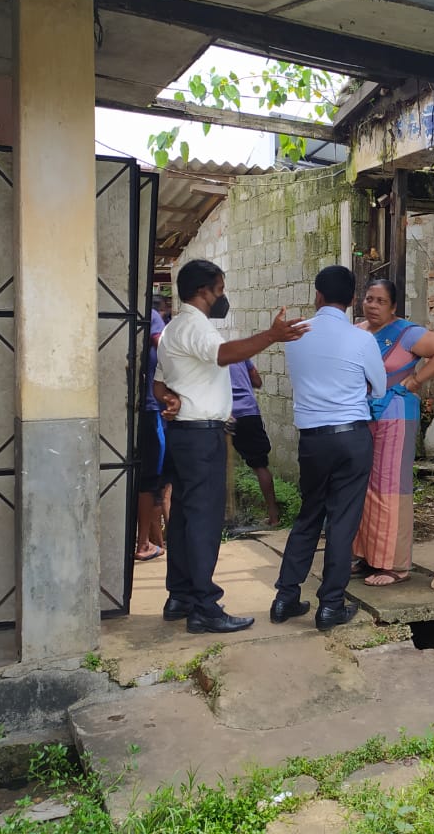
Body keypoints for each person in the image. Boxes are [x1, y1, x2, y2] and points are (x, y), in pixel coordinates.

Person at [154, 259, 307, 635]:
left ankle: (181, 595)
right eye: (220, 290)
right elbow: (226, 354)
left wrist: (166, 398)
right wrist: (271, 335)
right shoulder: (194, 325)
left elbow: (159, 381)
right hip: (202, 435)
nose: (222, 297)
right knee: (203, 521)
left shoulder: (174, 328)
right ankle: (205, 605)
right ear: (204, 291)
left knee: (186, 520)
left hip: (185, 434)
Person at [272, 265, 386, 631]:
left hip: (313, 441)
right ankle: (330, 606)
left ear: (317, 295)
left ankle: (285, 597)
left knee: (309, 515)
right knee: (342, 522)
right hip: (352, 437)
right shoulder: (361, 339)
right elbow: (380, 388)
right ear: (353, 299)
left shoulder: (297, 334)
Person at [351, 279, 434, 586]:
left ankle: (394, 565)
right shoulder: (358, 332)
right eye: (369, 298)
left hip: (396, 416)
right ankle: (367, 555)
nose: (372, 305)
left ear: (393, 306)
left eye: (380, 301)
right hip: (364, 415)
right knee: (364, 485)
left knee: (390, 487)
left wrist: (415, 382)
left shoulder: (406, 333)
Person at [228, 359, 282, 527]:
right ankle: (274, 516)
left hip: (224, 415)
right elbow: (258, 381)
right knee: (260, 465)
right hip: (249, 413)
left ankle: (221, 518)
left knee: (218, 466)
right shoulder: (241, 357)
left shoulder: (210, 354)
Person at [135, 297, 169, 561]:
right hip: (151, 407)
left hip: (136, 408)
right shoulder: (152, 315)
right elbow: (164, 347)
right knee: (154, 480)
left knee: (150, 479)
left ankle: (158, 540)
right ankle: (144, 543)